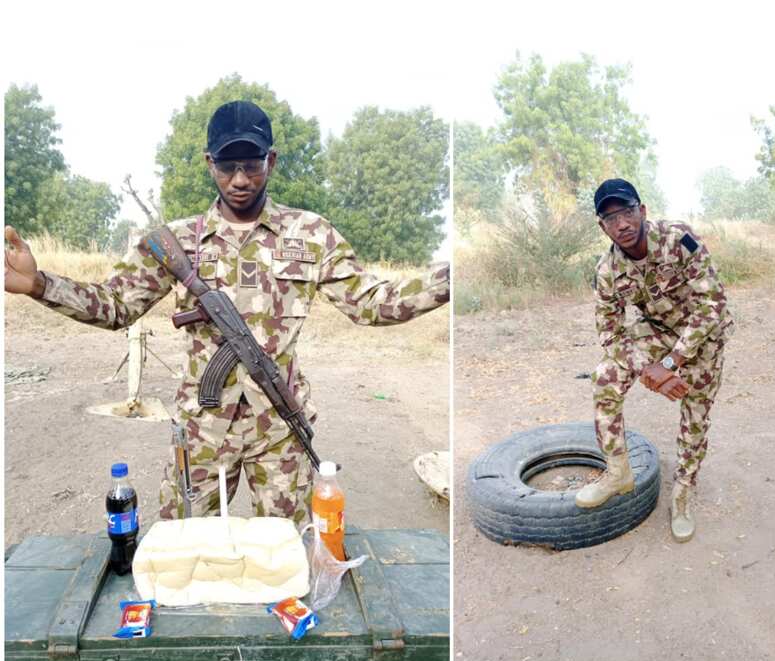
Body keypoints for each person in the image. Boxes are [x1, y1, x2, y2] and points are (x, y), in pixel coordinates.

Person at [4, 100, 449, 527]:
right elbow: (118, 305)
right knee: (184, 549)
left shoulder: (311, 235)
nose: (240, 179)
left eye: (251, 165)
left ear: (270, 162)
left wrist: (448, 281)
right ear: (209, 163)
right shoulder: (178, 241)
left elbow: (373, 302)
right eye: (227, 165)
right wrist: (40, 284)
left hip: (280, 431)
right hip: (201, 432)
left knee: (284, 552)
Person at [577, 178, 732, 543]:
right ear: (603, 227)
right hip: (656, 330)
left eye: (627, 212)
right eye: (610, 219)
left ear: (642, 211)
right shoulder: (607, 270)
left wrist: (672, 363)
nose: (622, 224)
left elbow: (712, 305)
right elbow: (611, 334)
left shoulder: (678, 239)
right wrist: (649, 369)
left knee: (695, 415)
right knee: (605, 377)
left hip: (704, 337)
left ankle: (682, 492)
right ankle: (618, 472)